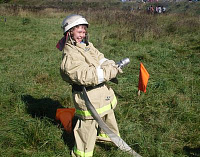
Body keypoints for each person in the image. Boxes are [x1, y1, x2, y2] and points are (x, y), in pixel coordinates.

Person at [57, 14, 122, 157]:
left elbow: (99, 57)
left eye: (84, 32)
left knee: (108, 113)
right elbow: (86, 76)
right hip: (87, 96)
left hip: (101, 92)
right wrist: (107, 73)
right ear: (69, 33)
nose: (82, 35)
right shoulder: (70, 56)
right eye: (79, 32)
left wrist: (110, 64)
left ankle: (106, 137)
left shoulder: (86, 46)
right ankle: (82, 153)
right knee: (88, 125)